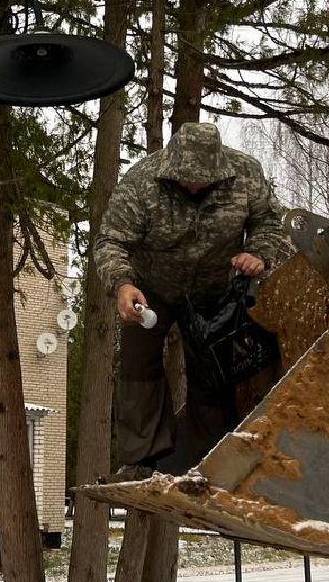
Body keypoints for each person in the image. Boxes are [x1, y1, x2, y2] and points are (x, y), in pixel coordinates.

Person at [93, 122, 293, 475]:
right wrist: (122, 284)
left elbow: (269, 223)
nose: (195, 185)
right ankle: (142, 459)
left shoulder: (245, 173)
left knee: (211, 373)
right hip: (151, 287)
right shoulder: (142, 181)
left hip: (214, 291)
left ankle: (213, 460)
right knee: (139, 367)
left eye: (204, 180)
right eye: (187, 178)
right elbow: (110, 240)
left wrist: (259, 253)